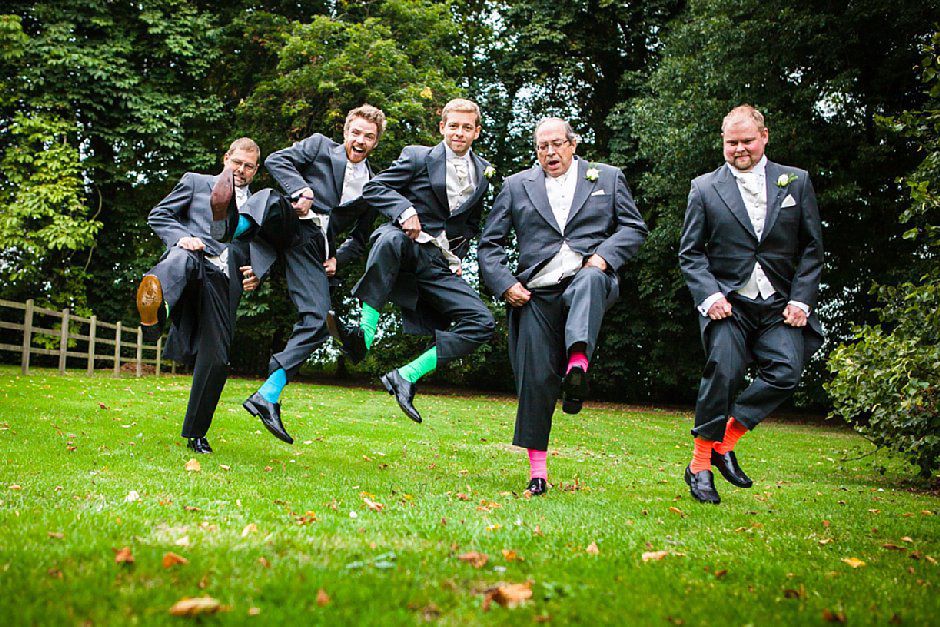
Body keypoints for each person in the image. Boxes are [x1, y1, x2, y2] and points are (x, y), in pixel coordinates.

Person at [478, 117, 647, 495]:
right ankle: (538, 473)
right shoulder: (516, 186)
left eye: (557, 144)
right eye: (542, 147)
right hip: (536, 293)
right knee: (535, 380)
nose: (550, 153)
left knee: (588, 281)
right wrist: (507, 284)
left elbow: (634, 228)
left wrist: (604, 257)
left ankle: (577, 366)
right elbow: (489, 244)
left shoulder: (607, 178)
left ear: (573, 144)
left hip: (588, 279)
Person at [678, 105, 824, 504]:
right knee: (723, 370)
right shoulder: (704, 188)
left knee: (786, 371)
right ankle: (700, 465)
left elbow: (812, 248)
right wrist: (710, 297)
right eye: (731, 142)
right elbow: (690, 253)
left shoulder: (795, 182)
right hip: (729, 302)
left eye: (746, 141)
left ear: (764, 137)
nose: (739, 148)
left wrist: (800, 299)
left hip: (778, 303)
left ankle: (726, 442)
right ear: (723, 143)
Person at [329, 98, 495, 423]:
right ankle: (363, 335)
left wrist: (457, 256)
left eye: (466, 127)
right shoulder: (418, 156)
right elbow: (375, 188)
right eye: (453, 126)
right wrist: (405, 211)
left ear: (476, 131)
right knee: (387, 237)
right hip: (405, 247)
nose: (458, 133)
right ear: (442, 127)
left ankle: (405, 375)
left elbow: (470, 224)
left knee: (482, 322)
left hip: (438, 264)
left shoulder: (484, 172)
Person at [242, 105, 387, 441]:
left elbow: (360, 238)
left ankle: (268, 394)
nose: (360, 140)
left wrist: (338, 258)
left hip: (313, 246)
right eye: (356, 132)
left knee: (319, 320)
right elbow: (278, 160)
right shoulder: (320, 145)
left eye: (368, 136)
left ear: (375, 142)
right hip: (289, 220)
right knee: (267, 206)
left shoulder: (374, 185)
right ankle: (231, 228)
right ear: (346, 131)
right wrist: (301, 190)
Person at [136, 138, 269, 453]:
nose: (242, 169)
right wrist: (182, 237)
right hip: (191, 263)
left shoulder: (258, 206)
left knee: (217, 359)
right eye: (237, 162)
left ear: (256, 170)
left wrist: (258, 274)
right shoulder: (196, 182)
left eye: (249, 166)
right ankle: (153, 310)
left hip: (224, 282)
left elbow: (263, 251)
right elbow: (159, 215)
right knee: (180, 259)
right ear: (226, 157)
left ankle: (196, 433)